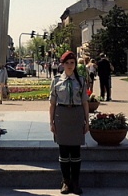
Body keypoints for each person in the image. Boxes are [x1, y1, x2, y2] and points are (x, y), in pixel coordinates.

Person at [49, 51, 89, 195]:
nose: (70, 66)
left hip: (76, 115)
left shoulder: (81, 80)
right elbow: (52, 104)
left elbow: (85, 102)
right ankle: (66, 181)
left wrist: (87, 121)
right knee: (64, 152)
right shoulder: (56, 80)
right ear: (63, 64)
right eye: (67, 63)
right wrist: (51, 122)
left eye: (72, 63)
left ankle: (76, 182)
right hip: (62, 115)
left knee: (76, 152)